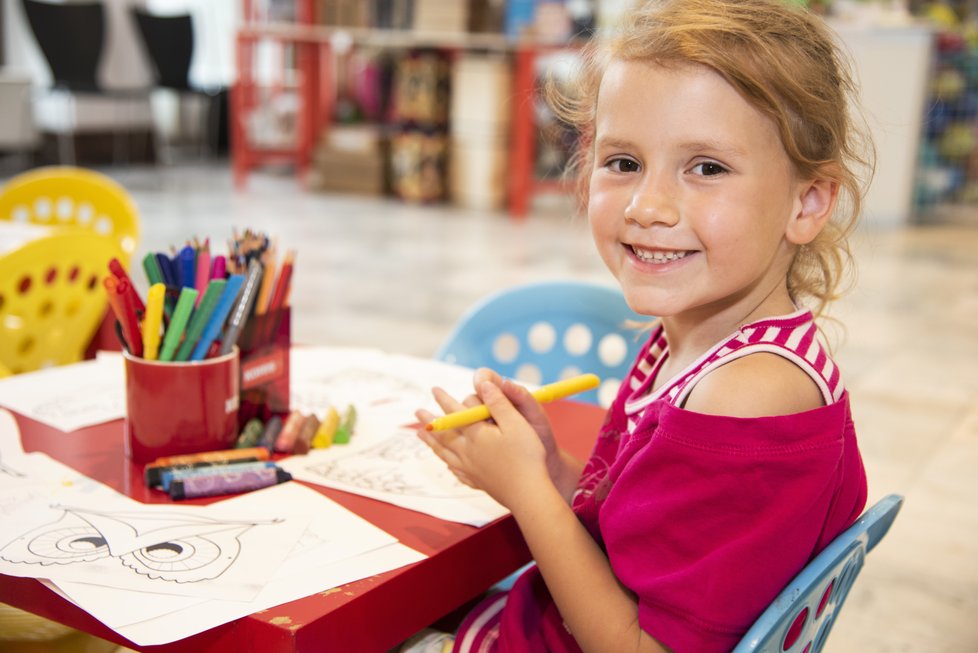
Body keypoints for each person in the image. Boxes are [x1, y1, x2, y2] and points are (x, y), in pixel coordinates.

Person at [415, 0, 873, 650]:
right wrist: (551, 469)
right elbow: (645, 539)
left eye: (706, 168)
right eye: (624, 162)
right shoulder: (702, 337)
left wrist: (524, 491)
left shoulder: (747, 396)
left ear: (807, 202)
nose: (646, 206)